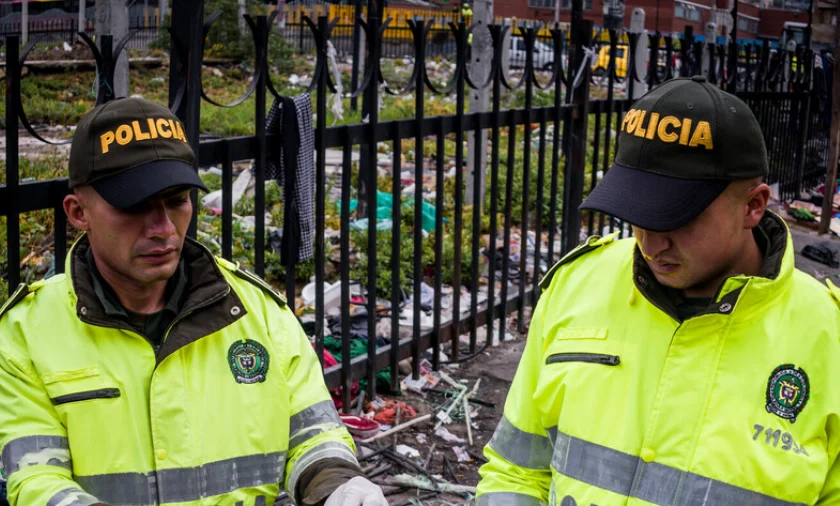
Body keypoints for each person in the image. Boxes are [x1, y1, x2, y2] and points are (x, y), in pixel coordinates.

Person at [0, 97, 388, 506]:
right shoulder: (26, 335)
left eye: (177, 200)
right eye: (136, 206)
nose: (163, 228)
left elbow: (313, 434)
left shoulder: (258, 312)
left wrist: (339, 483)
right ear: (78, 212)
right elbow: (37, 479)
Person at [475, 76, 840, 505]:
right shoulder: (578, 286)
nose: (651, 244)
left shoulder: (826, 337)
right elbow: (515, 470)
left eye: (677, 218)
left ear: (754, 205)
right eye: (637, 213)